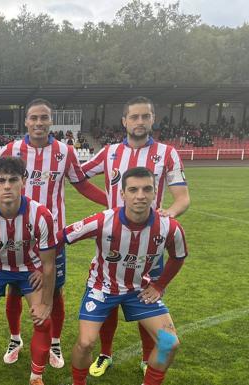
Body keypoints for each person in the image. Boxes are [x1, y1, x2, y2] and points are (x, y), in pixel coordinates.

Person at [82, 96, 190, 376]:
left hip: (149, 243)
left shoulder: (167, 153)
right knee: (108, 300)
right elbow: (78, 177)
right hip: (112, 241)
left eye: (145, 117)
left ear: (153, 119)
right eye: (134, 117)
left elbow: (183, 198)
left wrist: (167, 215)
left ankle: (146, 357)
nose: (139, 122)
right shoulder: (109, 152)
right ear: (124, 121)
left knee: (147, 299)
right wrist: (107, 202)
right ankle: (105, 355)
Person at [0, 98, 106, 368]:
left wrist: (115, 204)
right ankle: (15, 338)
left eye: (44, 118)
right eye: (33, 118)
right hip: (17, 236)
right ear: (26, 121)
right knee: (14, 289)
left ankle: (55, 342)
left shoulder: (64, 151)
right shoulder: (12, 149)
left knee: (54, 291)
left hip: (52, 236)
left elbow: (82, 185)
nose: (38, 123)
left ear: (51, 121)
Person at [68, 167, 186, 385]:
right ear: (122, 194)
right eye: (133, 189)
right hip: (102, 288)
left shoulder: (169, 227)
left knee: (169, 343)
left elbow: (178, 257)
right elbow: (61, 238)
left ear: (154, 193)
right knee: (85, 343)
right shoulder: (103, 220)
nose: (140, 195)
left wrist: (159, 286)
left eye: (146, 189)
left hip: (139, 290)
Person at [0, 156, 57, 385]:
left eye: (13, 180)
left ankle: (36, 377)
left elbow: (48, 263)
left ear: (23, 181)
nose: (7, 186)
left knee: (43, 321)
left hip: (28, 267)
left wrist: (46, 303)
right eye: (1, 180)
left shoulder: (41, 215)